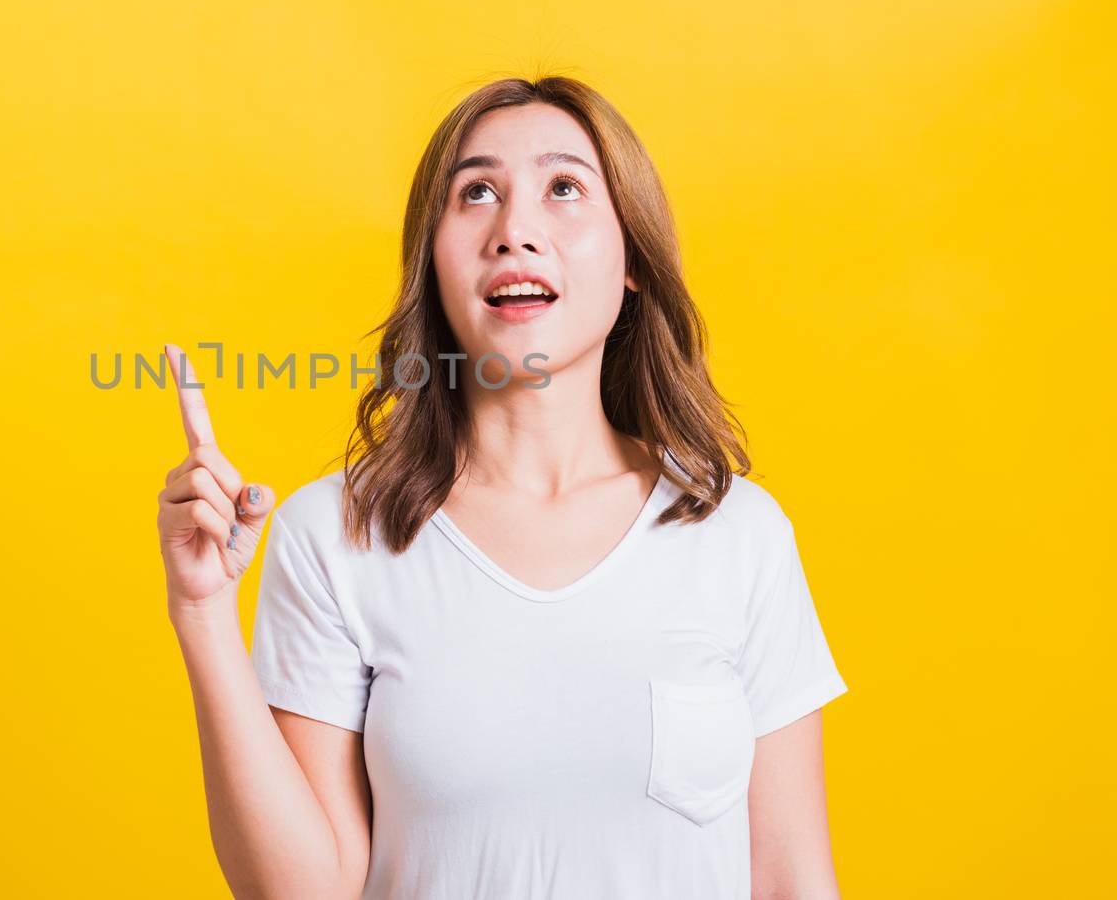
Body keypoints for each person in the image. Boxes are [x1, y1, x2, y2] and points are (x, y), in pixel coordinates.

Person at [156, 75, 849, 899]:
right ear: (431, 264)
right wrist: (202, 615)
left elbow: (792, 879)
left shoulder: (737, 534)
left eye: (565, 189)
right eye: (476, 193)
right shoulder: (336, 535)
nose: (516, 231)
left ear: (633, 259)